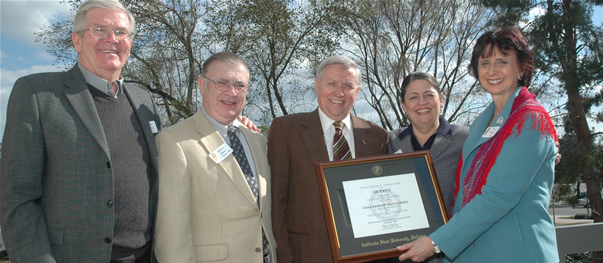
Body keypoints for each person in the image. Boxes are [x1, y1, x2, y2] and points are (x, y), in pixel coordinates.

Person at [0, 0, 160, 262]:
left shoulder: (144, 101)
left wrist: (233, 126)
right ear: (76, 41)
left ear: (130, 43)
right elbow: (18, 198)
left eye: (121, 32)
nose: (112, 39)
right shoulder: (37, 94)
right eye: (99, 29)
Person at [397, 27, 559, 263]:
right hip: (477, 250)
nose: (492, 71)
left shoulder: (530, 120)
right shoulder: (484, 120)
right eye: (485, 63)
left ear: (522, 67)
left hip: (516, 252)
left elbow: (498, 196)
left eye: (502, 61)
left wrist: (435, 242)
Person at [153, 52, 277, 263]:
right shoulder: (175, 142)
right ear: (202, 86)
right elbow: (171, 233)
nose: (232, 92)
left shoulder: (257, 140)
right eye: (222, 83)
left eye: (240, 85)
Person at [269, 55, 389, 262]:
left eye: (348, 85)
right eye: (331, 83)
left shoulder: (377, 136)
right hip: (306, 254)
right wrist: (284, 257)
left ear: (357, 91)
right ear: (317, 85)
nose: (339, 92)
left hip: (365, 255)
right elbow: (276, 200)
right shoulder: (286, 130)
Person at [388, 72, 469, 263]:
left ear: (441, 99)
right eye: (413, 97)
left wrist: (550, 150)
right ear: (404, 106)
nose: (422, 102)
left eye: (429, 95)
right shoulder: (389, 141)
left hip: (450, 254)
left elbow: (500, 155)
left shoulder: (466, 138)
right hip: (400, 254)